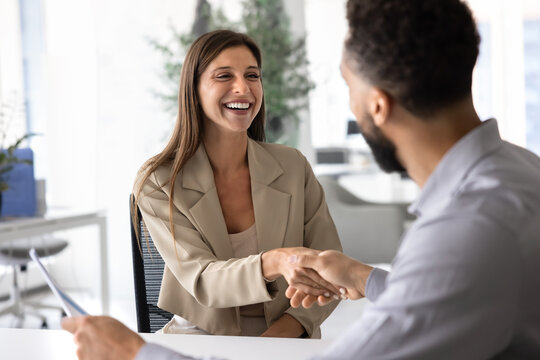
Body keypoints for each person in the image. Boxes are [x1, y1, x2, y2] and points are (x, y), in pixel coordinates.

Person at [63, 0, 540, 359]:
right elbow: (445, 294)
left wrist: (135, 353)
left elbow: (446, 282)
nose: (243, 88)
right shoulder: (520, 175)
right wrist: (363, 276)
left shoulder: (465, 231)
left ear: (377, 104)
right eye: (223, 75)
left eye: (348, 89)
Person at [129, 29, 341, 339]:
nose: (243, 88)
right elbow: (202, 279)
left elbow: (328, 264)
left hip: (287, 334)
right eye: (224, 76)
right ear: (194, 90)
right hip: (201, 335)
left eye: (252, 76)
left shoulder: (293, 166)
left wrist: (280, 337)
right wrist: (275, 262)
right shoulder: (158, 182)